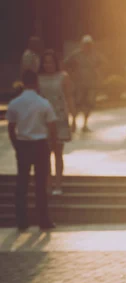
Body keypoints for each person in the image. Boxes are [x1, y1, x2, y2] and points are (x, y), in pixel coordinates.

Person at [6, 70, 57, 230]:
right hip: (40, 144)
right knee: (40, 184)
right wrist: (51, 145)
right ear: (36, 82)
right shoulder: (43, 103)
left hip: (23, 144)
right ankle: (44, 220)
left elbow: (11, 127)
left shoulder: (15, 103)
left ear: (23, 81)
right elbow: (52, 126)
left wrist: (17, 145)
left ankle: (22, 221)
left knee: (22, 183)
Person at [38, 50, 75, 195]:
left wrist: (73, 117)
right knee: (45, 153)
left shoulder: (63, 77)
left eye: (51, 62)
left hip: (59, 117)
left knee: (58, 152)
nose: (48, 65)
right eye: (46, 62)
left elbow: (69, 97)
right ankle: (48, 184)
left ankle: (58, 184)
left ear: (55, 63)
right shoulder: (39, 78)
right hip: (43, 119)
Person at [65, 35, 105, 133]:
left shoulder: (96, 55)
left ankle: (85, 124)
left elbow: (103, 64)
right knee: (77, 104)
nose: (88, 46)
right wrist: (71, 75)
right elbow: (66, 64)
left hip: (91, 84)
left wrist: (98, 75)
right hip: (79, 85)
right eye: (86, 44)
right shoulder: (76, 55)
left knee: (89, 104)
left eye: (89, 44)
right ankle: (73, 122)